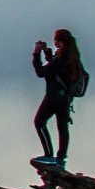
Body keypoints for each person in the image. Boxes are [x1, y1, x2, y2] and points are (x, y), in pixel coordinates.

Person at [32, 27, 86, 171]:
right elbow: (56, 67)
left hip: (53, 98)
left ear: (60, 42)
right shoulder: (73, 58)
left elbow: (41, 72)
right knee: (62, 128)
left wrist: (36, 55)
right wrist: (47, 52)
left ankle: (49, 155)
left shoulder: (61, 59)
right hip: (65, 99)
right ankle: (61, 159)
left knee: (39, 122)